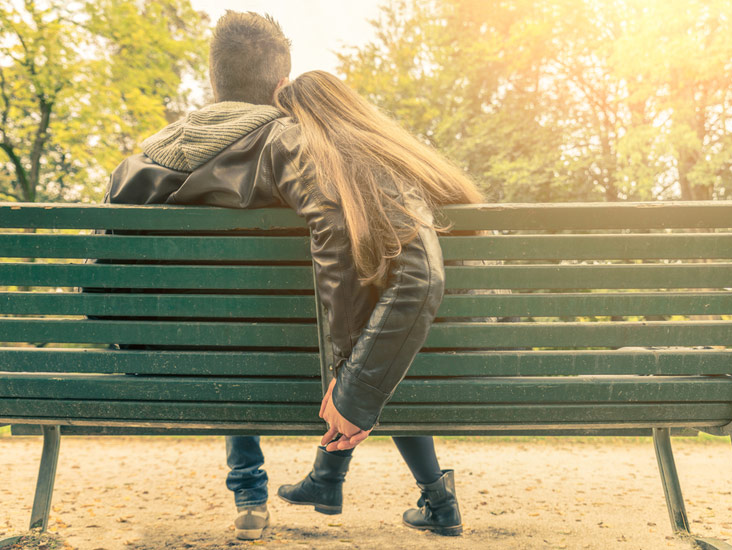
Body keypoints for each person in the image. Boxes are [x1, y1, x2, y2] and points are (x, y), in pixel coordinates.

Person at [103, 10, 482, 540]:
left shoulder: (134, 168)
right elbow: (349, 238)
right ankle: (416, 489)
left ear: (216, 81)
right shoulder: (298, 147)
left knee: (229, 340)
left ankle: (250, 492)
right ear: (282, 86)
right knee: (340, 302)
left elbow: (105, 292)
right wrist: (349, 374)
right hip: (308, 374)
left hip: (174, 371)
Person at [270, 70, 483, 537]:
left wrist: (351, 383)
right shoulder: (400, 158)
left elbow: (418, 282)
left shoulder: (346, 174)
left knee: (373, 350)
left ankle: (337, 479)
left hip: (422, 341)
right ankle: (426, 497)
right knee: (379, 346)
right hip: (456, 343)